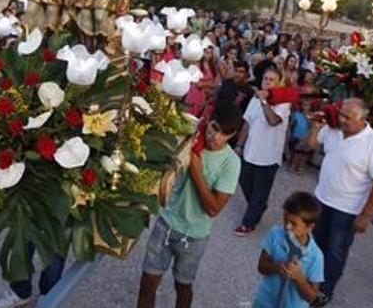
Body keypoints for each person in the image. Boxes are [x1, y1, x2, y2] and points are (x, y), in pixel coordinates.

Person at [137, 102, 242, 308]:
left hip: (193, 237)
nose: (216, 137)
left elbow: (213, 208)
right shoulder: (192, 140)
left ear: (233, 135)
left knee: (183, 287)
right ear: (208, 122)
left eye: (224, 134)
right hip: (165, 223)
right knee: (148, 282)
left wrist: (195, 169)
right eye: (214, 128)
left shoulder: (231, 163)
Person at [303, 98, 373, 305]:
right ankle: (310, 280)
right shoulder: (333, 130)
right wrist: (315, 128)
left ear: (362, 119)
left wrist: (367, 214)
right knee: (316, 245)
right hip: (322, 199)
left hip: (347, 209)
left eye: (347, 117)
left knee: (336, 251)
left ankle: (324, 289)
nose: (341, 119)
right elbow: (310, 145)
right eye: (340, 114)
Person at [233, 67, 291, 236]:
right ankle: (258, 206)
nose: (267, 82)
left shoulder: (284, 103)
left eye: (272, 79)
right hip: (250, 152)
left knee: (260, 191)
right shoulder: (254, 100)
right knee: (244, 182)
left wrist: (264, 102)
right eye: (265, 78)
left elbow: (273, 121)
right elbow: (247, 123)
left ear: (278, 82)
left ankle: (248, 222)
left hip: (268, 157)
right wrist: (239, 146)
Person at [254, 192, 324, 308]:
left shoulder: (316, 256)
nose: (287, 226)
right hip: (264, 302)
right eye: (285, 219)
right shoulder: (276, 234)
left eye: (294, 224)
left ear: (310, 227)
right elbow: (261, 266)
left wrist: (299, 278)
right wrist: (278, 266)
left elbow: (311, 297)